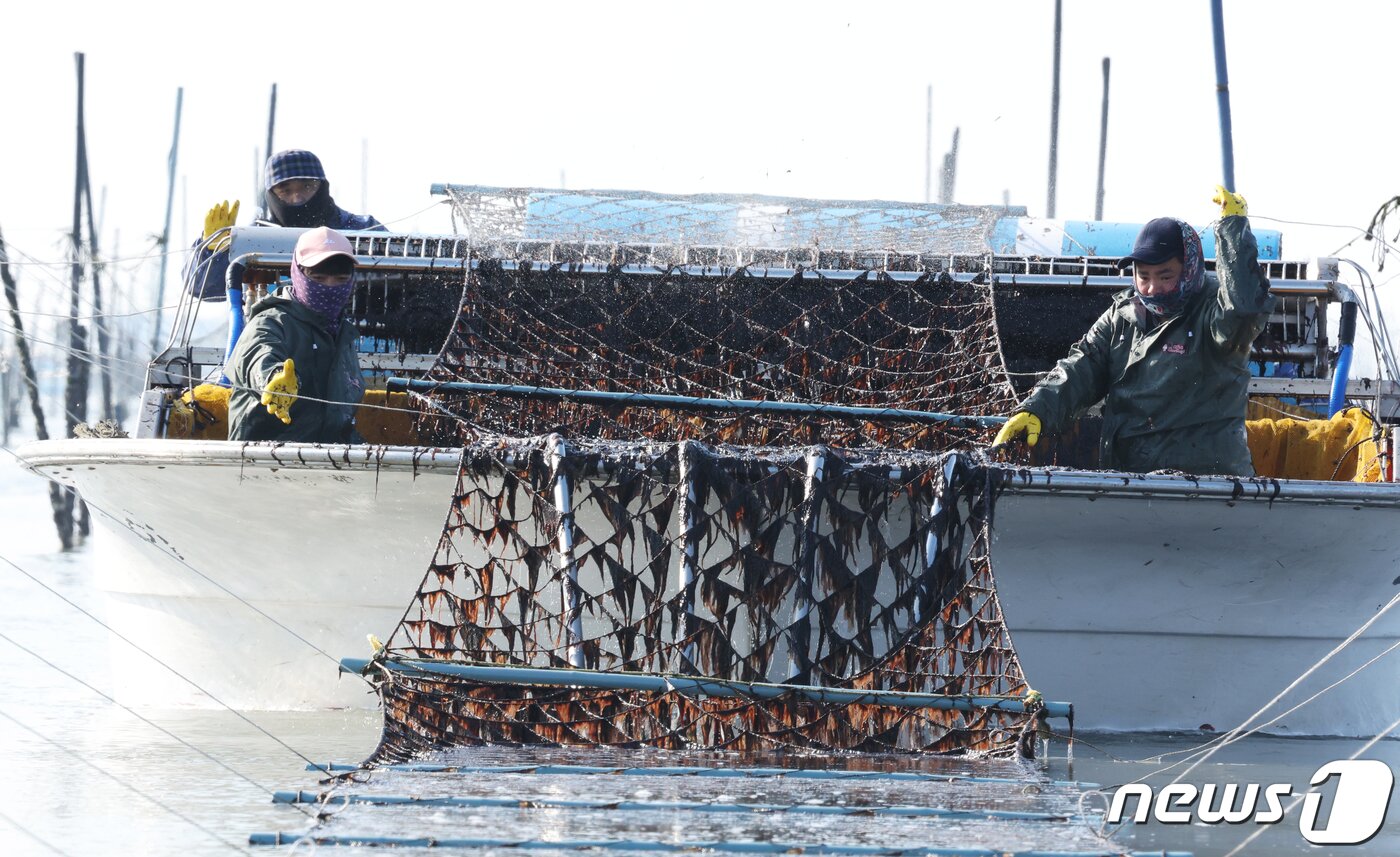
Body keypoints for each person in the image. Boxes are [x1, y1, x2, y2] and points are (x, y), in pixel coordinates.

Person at [992, 186, 1275, 476]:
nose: (1152, 288)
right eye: (1144, 276)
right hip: (1129, 483)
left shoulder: (1215, 312)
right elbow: (1082, 365)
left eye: (1165, 276)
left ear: (1189, 268)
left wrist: (1233, 228)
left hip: (1210, 488)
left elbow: (1244, 309)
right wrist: (1037, 410)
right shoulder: (1122, 315)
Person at [185, 149, 384, 300]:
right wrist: (213, 252)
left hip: (358, 342)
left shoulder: (362, 229)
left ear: (322, 187)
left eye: (307, 186)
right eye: (285, 190)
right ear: (271, 195)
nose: (297, 197)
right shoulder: (253, 239)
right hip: (270, 342)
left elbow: (399, 283)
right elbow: (204, 290)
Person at [227, 226, 365, 443]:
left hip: (329, 464)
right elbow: (257, 356)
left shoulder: (343, 335)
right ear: (297, 274)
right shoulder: (270, 322)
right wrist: (273, 379)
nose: (329, 288)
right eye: (318, 278)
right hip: (264, 461)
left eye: (340, 279)